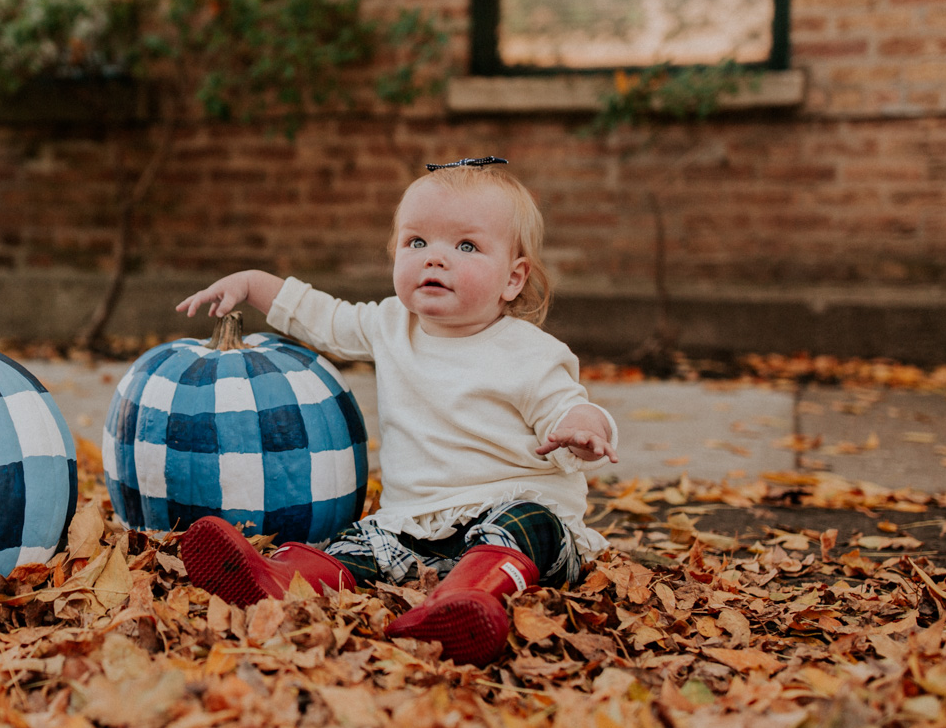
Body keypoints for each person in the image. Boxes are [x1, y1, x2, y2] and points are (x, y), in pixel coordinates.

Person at [172, 157, 618, 667]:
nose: (435, 259)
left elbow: (569, 405)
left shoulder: (529, 352)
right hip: (416, 528)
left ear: (512, 279)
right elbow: (324, 316)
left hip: (511, 521)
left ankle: (468, 601)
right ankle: (275, 579)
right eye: (416, 242)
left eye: (466, 246)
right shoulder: (391, 325)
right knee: (357, 543)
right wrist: (253, 282)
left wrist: (584, 429)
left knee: (532, 522)